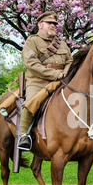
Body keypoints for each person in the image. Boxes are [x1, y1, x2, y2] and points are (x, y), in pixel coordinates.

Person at [17, 11, 73, 150]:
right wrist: (55, 74)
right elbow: (32, 64)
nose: (53, 25)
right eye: (49, 23)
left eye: (54, 23)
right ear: (40, 25)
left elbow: (70, 61)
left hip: (61, 81)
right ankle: (23, 136)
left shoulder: (62, 44)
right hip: (38, 81)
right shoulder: (32, 41)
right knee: (32, 101)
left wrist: (64, 74)